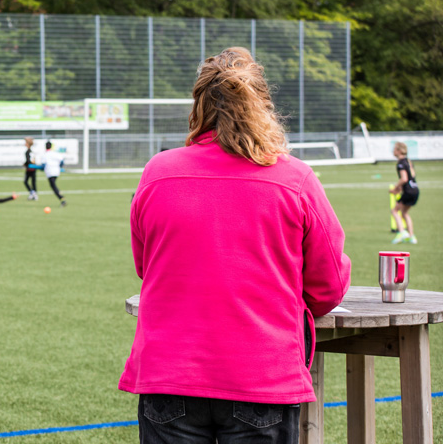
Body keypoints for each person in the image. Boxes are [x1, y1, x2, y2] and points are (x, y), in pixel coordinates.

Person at [119, 48, 351, 444]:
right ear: (263, 105)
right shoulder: (294, 178)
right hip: (261, 375)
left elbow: (147, 265)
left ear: (199, 106)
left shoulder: (157, 172)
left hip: (170, 375)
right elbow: (327, 286)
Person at [389, 141, 419, 244]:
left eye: (394, 149)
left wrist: (395, 188)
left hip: (409, 191)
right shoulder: (408, 161)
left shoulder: (401, 163)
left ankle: (402, 232)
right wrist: (400, 189)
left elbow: (404, 179)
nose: (393, 151)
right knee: (405, 213)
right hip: (415, 190)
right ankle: (412, 236)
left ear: (398, 151)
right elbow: (411, 177)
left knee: (394, 211)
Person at [41, 141, 66, 207]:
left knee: (53, 186)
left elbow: (43, 166)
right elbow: (62, 161)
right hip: (57, 171)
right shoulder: (55, 153)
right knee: (54, 185)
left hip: (50, 172)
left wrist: (33, 166)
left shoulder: (45, 154)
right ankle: (60, 195)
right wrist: (59, 166)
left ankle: (62, 198)